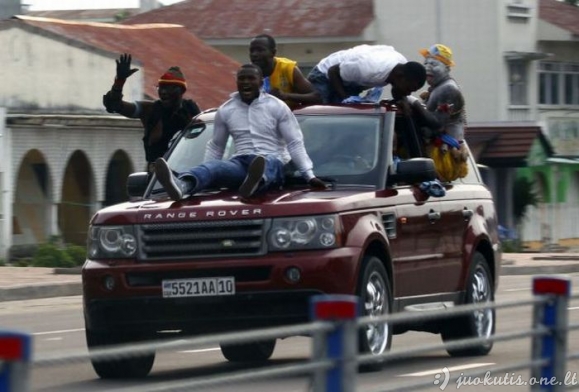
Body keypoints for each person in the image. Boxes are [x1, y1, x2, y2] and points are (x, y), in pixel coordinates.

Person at [154, 63, 327, 201]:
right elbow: (216, 147)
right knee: (212, 168)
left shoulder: (277, 107)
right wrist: (213, 175)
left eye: (251, 78)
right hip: (240, 164)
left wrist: (309, 176)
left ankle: (255, 183)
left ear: (261, 82)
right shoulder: (226, 110)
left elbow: (294, 143)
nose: (245, 82)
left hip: (273, 161)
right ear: (236, 82)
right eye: (241, 79)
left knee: (269, 163)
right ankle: (183, 185)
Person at [102, 53, 201, 173]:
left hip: (188, 176)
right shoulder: (150, 110)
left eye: (169, 88)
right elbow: (115, 105)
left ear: (181, 90)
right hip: (157, 179)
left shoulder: (191, 110)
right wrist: (119, 82)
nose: (163, 92)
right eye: (161, 87)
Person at [399, 44, 468, 182]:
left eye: (434, 64)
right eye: (426, 63)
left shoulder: (448, 89)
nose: (427, 67)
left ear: (447, 68)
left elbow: (435, 125)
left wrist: (414, 103)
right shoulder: (437, 88)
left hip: (442, 156)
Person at [307, 44, 427, 104]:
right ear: (400, 76)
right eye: (409, 89)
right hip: (326, 74)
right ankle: (288, 97)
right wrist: (345, 99)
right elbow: (333, 71)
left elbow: (397, 91)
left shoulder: (401, 68)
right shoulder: (369, 68)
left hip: (350, 80)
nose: (409, 93)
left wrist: (403, 103)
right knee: (323, 108)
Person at [249, 34, 321, 109]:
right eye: (252, 51)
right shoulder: (249, 72)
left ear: (273, 52)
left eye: (260, 50)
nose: (254, 54)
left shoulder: (287, 68)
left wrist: (285, 96)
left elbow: (316, 97)